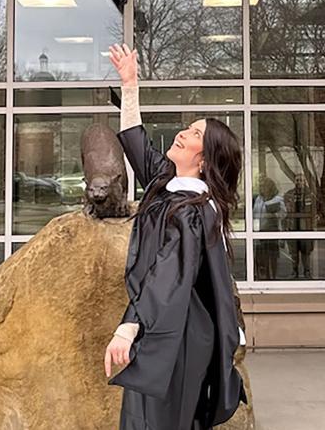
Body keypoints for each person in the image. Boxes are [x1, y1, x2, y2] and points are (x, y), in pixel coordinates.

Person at [103, 44, 247, 430]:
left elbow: (168, 275)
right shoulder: (168, 186)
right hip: (162, 330)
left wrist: (128, 326)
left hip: (180, 337)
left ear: (205, 158)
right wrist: (130, 84)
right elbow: (135, 144)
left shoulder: (195, 211)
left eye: (195, 133)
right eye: (189, 126)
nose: (184, 132)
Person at [283, 173, 317, 279]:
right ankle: (294, 271)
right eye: (297, 180)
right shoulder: (289, 195)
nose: (299, 182)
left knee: (306, 252)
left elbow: (316, 210)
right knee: (294, 252)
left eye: (301, 180)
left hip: (306, 228)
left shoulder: (310, 195)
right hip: (293, 227)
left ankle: (307, 271)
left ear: (304, 182)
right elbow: (285, 210)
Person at [252, 176, 286, 280]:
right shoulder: (258, 199)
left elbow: (283, 214)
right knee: (261, 257)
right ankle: (263, 276)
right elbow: (255, 214)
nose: (261, 188)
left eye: (263, 186)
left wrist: (274, 214)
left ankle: (273, 277)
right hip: (259, 231)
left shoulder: (277, 199)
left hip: (272, 230)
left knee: (272, 256)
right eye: (260, 186)